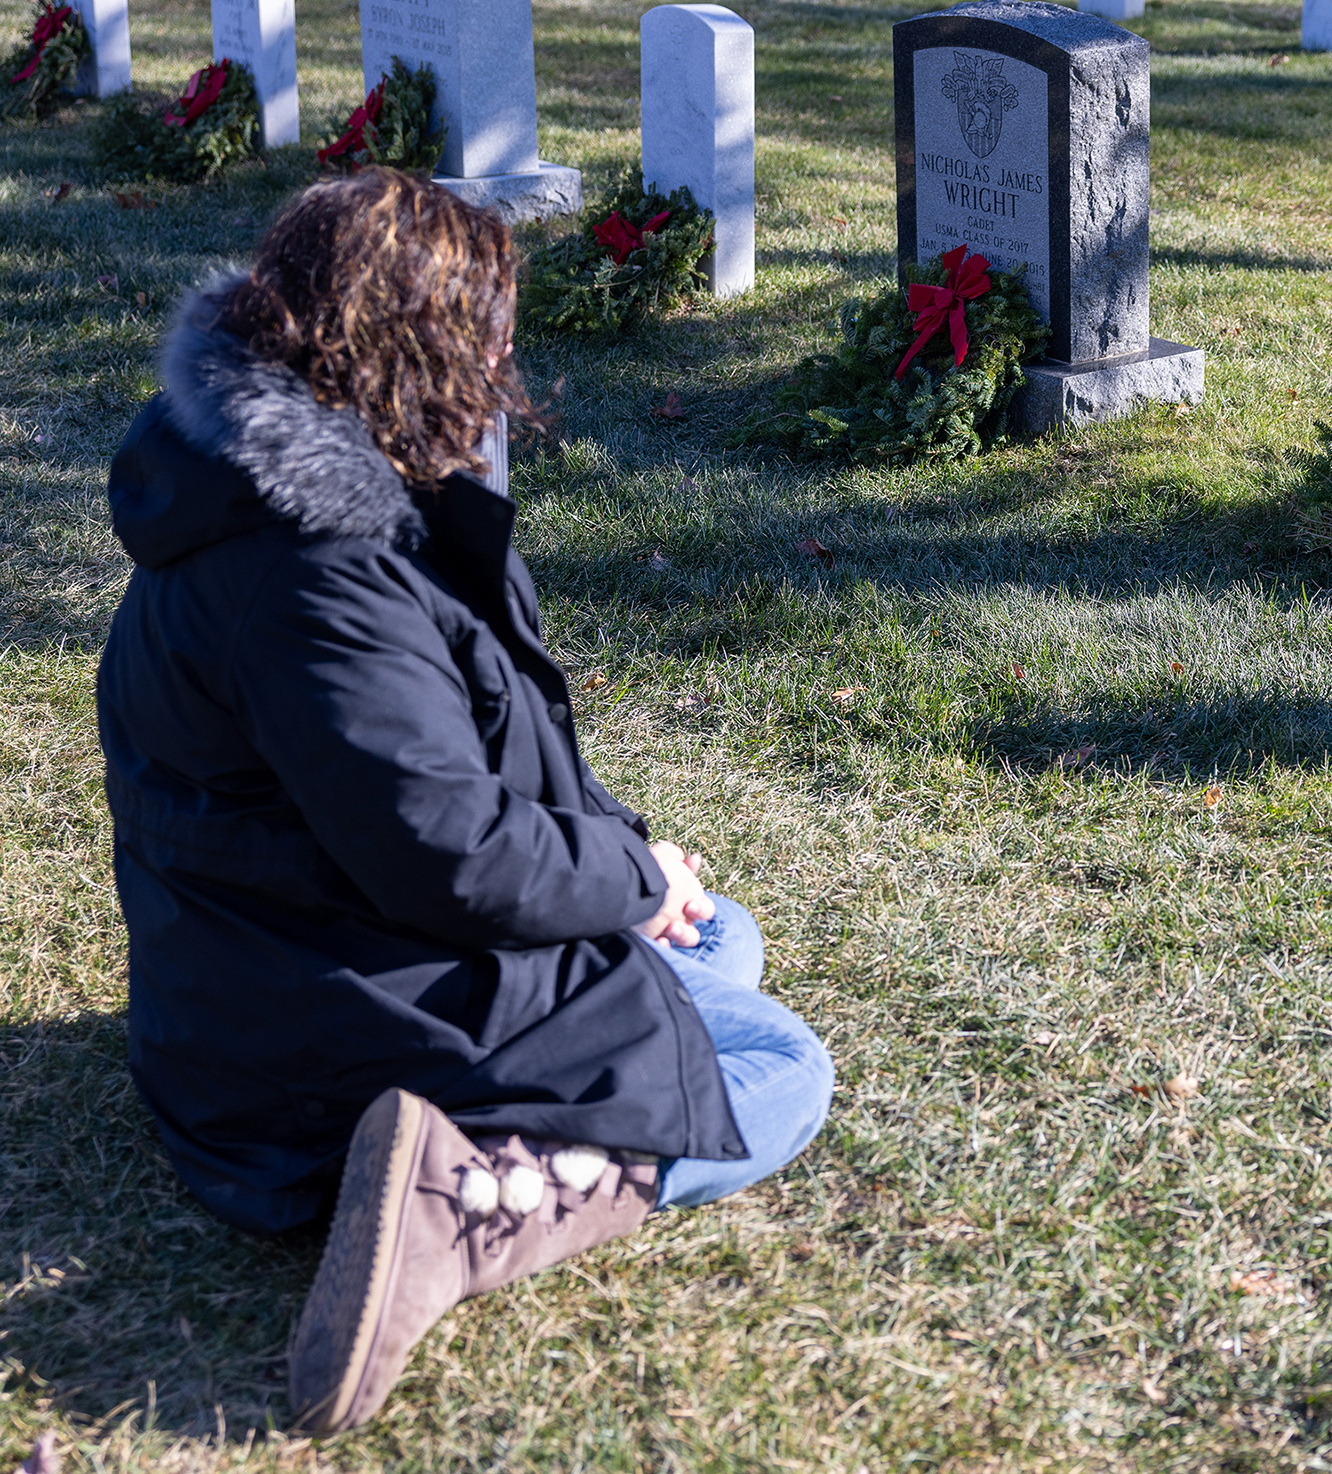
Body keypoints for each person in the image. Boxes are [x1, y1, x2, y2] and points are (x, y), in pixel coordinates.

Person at [94, 168, 834, 1434]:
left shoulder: (282, 492)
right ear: (417, 344)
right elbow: (444, 851)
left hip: (286, 949)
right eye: (488, 334)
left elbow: (449, 762)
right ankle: (466, 1205)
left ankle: (502, 1112)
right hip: (308, 1024)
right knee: (781, 1064)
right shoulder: (314, 579)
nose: (505, 361)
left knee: (723, 938)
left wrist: (632, 860)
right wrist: (634, 880)